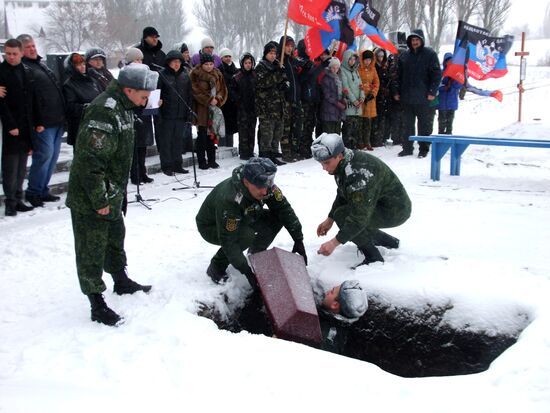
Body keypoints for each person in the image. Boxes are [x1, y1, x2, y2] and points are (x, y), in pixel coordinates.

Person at [66, 64, 158, 326]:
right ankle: (97, 303)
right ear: (128, 89)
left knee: (115, 238)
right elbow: (89, 162)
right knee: (91, 249)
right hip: (92, 197)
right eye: (143, 95)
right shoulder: (105, 112)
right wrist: (99, 200)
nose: (146, 100)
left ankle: (120, 280)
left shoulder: (125, 107)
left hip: (112, 192)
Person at [196, 157, 307, 287]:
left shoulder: (266, 186)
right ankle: (216, 266)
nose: (265, 191)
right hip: (212, 226)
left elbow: (284, 209)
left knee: (277, 217)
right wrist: (246, 271)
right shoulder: (230, 199)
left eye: (268, 185)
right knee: (245, 236)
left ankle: (256, 253)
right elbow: (228, 240)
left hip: (245, 215)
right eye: (260, 187)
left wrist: (298, 239)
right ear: (246, 182)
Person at [312, 133, 411, 266]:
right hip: (379, 204)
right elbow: (343, 193)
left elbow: (359, 217)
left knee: (343, 215)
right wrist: (330, 219)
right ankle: (388, 241)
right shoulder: (344, 163)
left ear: (339, 155)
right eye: (322, 163)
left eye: (327, 163)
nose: (324, 168)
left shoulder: (358, 174)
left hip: (395, 210)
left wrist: (334, 243)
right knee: (341, 214)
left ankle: (373, 257)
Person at [17, 34, 65, 207]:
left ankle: (43, 189)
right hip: (42, 123)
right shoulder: (23, 68)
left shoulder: (40, 65)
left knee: (52, 157)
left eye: (33, 46)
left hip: (57, 119)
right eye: (27, 47)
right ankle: (34, 191)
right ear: (21, 50)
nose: (32, 49)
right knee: (43, 156)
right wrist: (36, 122)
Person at [0, 38, 44, 216]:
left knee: (21, 165)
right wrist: (10, 125)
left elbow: (34, 98)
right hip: (11, 125)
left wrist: (39, 121)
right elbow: (1, 103)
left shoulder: (27, 71)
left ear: (21, 53)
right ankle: (10, 201)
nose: (11, 57)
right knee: (10, 166)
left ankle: (19, 197)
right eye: (8, 54)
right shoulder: (1, 72)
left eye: (14, 54)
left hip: (26, 124)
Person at [394, 29, 442, 158]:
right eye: (412, 40)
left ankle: (423, 149)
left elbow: (437, 74)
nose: (414, 42)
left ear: (421, 40)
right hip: (407, 97)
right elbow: (398, 76)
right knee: (407, 125)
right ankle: (407, 148)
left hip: (423, 97)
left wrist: (432, 91)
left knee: (423, 125)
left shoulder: (430, 54)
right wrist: (396, 91)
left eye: (417, 40)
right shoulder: (404, 56)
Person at [189, 53, 227, 169]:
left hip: (214, 108)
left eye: (211, 64)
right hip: (202, 109)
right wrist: (209, 99)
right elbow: (195, 91)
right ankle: (201, 160)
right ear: (202, 64)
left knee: (212, 135)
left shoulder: (218, 74)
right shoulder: (195, 74)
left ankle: (212, 159)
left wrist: (218, 99)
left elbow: (223, 89)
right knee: (202, 135)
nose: (209, 66)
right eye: (206, 64)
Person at [157, 50, 192, 176]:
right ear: (169, 63)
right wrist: (159, 114)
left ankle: (178, 164)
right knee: (166, 141)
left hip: (181, 114)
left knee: (178, 140)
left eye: (178, 62)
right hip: (167, 114)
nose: (176, 64)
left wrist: (188, 112)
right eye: (174, 62)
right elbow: (157, 95)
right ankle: (166, 165)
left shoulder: (185, 75)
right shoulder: (162, 75)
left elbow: (189, 95)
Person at [125, 47, 155, 184]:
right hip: (133, 113)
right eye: (137, 59)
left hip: (145, 113)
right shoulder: (127, 75)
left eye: (141, 59)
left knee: (143, 147)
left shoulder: (146, 74)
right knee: (135, 148)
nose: (140, 61)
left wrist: (154, 101)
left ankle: (143, 173)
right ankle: (135, 174)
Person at [315, 279, 368, 354]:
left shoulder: (326, 335)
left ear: (335, 305)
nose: (328, 291)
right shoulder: (342, 329)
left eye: (332, 292)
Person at [255, 41, 287, 166]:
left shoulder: (277, 66)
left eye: (275, 53)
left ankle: (273, 153)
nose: (273, 55)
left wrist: (284, 83)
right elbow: (264, 83)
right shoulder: (261, 67)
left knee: (277, 131)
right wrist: (277, 74)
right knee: (267, 133)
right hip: (266, 107)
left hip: (278, 105)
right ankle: (265, 155)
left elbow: (282, 80)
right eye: (270, 53)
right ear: (265, 54)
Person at [62, 52, 101, 148]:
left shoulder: (92, 80)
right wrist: (88, 108)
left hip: (97, 125)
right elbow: (70, 107)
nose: (82, 67)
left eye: (83, 64)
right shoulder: (69, 85)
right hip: (80, 128)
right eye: (78, 65)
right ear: (72, 67)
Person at [278, 35, 306, 163]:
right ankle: (286, 152)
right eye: (287, 46)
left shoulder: (293, 60)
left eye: (291, 46)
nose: (289, 48)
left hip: (297, 97)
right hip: (286, 99)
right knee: (286, 127)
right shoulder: (280, 61)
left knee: (297, 126)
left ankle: (295, 150)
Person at [231, 52, 257, 160]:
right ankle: (243, 152)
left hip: (253, 108)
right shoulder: (237, 76)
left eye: (250, 63)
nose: (248, 65)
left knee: (252, 130)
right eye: (246, 63)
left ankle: (250, 151)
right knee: (243, 132)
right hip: (242, 109)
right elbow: (232, 91)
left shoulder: (255, 75)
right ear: (242, 63)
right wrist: (238, 100)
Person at [339, 50, 364, 150]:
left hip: (358, 105)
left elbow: (360, 85)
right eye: (350, 59)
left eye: (354, 59)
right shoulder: (342, 70)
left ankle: (354, 148)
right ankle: (347, 149)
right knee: (348, 129)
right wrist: (354, 100)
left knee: (356, 129)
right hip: (349, 104)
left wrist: (362, 97)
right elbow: (346, 87)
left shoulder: (356, 71)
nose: (352, 61)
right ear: (346, 59)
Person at [358, 49, 379, 151]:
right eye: (366, 60)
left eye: (369, 60)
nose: (367, 62)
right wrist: (361, 92)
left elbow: (376, 83)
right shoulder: (358, 69)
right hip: (360, 98)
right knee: (360, 121)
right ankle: (360, 142)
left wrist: (373, 93)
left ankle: (367, 141)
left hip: (370, 99)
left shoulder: (373, 69)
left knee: (368, 122)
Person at [437, 53, 462, 135]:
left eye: (451, 61)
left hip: (452, 102)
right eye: (448, 61)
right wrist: (444, 88)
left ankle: (448, 137)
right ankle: (440, 138)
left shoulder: (457, 74)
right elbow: (436, 86)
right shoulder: (441, 73)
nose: (450, 62)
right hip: (442, 102)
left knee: (449, 123)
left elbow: (459, 86)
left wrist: (453, 80)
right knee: (441, 123)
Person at [218, 48, 238, 147]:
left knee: (230, 127)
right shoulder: (219, 70)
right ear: (221, 58)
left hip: (232, 104)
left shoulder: (235, 70)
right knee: (222, 126)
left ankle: (230, 147)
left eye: (229, 56)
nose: (228, 58)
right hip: (222, 103)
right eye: (225, 56)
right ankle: (222, 147)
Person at [319, 57, 346, 134]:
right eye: (333, 67)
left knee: (336, 133)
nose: (335, 69)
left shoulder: (338, 78)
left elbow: (340, 92)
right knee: (329, 133)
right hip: (328, 109)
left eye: (337, 68)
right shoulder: (326, 79)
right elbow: (327, 95)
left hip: (337, 110)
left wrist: (343, 97)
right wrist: (337, 103)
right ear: (330, 67)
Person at [372, 48, 391, 147]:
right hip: (377, 95)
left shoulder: (384, 66)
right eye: (378, 56)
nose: (380, 58)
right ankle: (375, 139)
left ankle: (381, 138)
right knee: (376, 118)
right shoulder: (374, 67)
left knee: (382, 118)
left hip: (384, 96)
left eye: (382, 56)